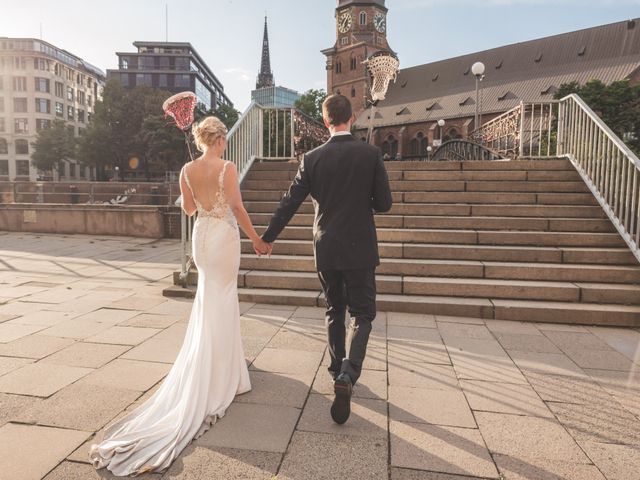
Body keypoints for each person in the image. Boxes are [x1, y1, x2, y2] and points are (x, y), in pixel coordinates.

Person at [89, 116, 271, 476]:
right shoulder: (228, 166)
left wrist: (196, 189)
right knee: (223, 298)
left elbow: (188, 209)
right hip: (223, 239)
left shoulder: (186, 168)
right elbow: (236, 207)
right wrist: (256, 238)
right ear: (219, 139)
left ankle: (215, 364)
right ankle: (225, 374)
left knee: (209, 300)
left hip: (201, 239)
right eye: (223, 140)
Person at [261, 94, 393, 425]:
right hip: (360, 247)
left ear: (325, 121)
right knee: (363, 314)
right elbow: (385, 203)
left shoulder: (312, 158)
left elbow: (289, 202)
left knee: (335, 309)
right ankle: (349, 373)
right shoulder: (371, 153)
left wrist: (267, 237)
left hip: (327, 246)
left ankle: (337, 369)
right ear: (352, 117)